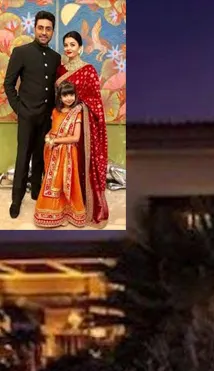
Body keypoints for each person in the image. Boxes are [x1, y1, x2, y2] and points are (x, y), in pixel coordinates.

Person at [3, 11, 61, 218]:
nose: (44, 32)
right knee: (23, 158)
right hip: (27, 116)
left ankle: (36, 192)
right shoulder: (21, 52)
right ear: (34, 29)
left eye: (48, 29)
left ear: (52, 32)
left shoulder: (55, 58)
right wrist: (19, 109)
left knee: (40, 157)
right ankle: (16, 200)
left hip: (46, 117)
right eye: (40, 28)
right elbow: (8, 84)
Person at [55, 30, 109, 227]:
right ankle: (66, 210)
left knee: (81, 165)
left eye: (72, 45)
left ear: (80, 48)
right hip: (63, 124)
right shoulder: (60, 70)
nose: (68, 48)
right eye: (66, 45)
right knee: (64, 167)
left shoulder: (89, 70)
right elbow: (57, 99)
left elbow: (96, 101)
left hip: (84, 127)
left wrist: (79, 107)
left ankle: (85, 208)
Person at [33, 81, 86, 228]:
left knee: (67, 183)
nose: (69, 98)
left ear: (75, 95)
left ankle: (68, 213)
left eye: (71, 94)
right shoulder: (55, 112)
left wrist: (55, 140)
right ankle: (54, 213)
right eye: (65, 95)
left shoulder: (77, 113)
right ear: (60, 97)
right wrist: (48, 136)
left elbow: (76, 138)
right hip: (53, 151)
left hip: (68, 153)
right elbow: (54, 129)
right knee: (53, 183)